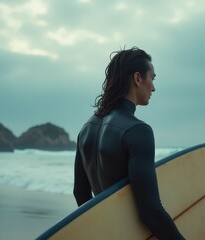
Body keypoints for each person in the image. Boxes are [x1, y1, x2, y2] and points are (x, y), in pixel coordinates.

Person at [73, 47, 185, 239]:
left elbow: (80, 194)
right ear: (137, 78)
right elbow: (151, 213)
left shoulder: (86, 129)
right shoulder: (137, 131)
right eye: (152, 78)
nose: (154, 87)